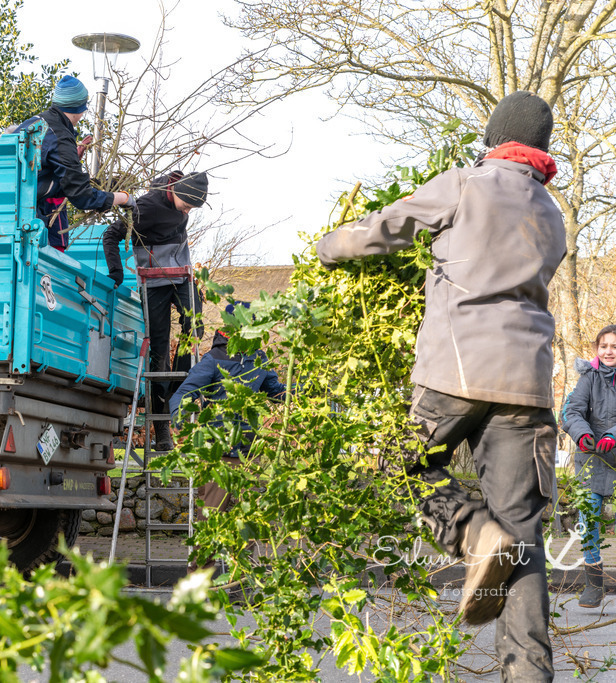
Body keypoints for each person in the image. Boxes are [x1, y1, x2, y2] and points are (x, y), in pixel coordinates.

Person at [316, 91, 565, 680]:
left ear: (493, 137)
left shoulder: (464, 184)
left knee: (393, 464)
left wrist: (330, 248)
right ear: (541, 149)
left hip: (456, 369)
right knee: (525, 535)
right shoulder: (551, 213)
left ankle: (473, 533)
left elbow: (385, 228)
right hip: (528, 385)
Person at [103, 170, 208, 450]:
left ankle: (179, 385)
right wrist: (116, 272)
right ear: (175, 193)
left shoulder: (183, 190)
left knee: (195, 325)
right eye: (186, 205)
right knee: (159, 355)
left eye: (192, 209)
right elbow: (110, 236)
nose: (187, 212)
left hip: (182, 277)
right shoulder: (146, 207)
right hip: (154, 284)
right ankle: (162, 429)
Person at [170, 302, 286, 516]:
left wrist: (307, 391)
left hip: (248, 453)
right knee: (211, 519)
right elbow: (183, 395)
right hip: (217, 454)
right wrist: (181, 422)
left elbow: (277, 392)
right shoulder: (214, 360)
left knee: (250, 520)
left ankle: (244, 550)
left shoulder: (259, 359)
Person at [14, 75, 135, 250]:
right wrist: (123, 198)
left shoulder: (32, 123)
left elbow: (41, 171)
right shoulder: (60, 136)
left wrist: (73, 164)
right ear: (80, 108)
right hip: (30, 220)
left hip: (8, 210)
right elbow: (82, 196)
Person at [561, 324, 616, 609]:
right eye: (604, 346)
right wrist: (582, 433)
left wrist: (613, 435)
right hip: (592, 457)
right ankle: (594, 583)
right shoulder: (588, 378)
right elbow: (571, 411)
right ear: (597, 349)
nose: (609, 351)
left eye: (615, 346)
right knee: (589, 514)